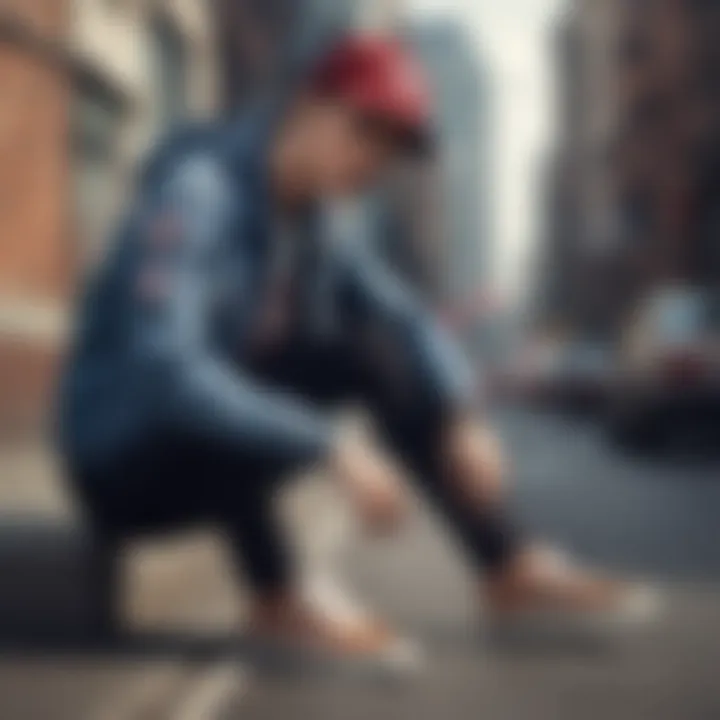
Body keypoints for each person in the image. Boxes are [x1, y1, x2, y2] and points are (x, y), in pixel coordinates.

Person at [59, 35, 657, 669]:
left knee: (367, 346)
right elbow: (165, 372)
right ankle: (279, 594)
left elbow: (402, 316)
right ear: (314, 106)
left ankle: (507, 564)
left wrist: (459, 414)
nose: (375, 162)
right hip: (123, 464)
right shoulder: (200, 190)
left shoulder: (312, 222)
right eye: (365, 134)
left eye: (392, 148)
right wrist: (329, 442)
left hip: (204, 455)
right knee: (225, 378)